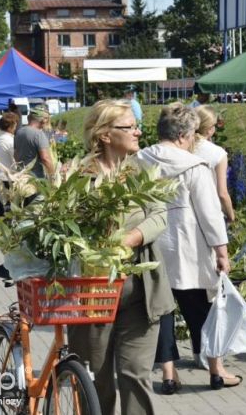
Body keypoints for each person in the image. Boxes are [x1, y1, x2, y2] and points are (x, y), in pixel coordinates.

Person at [68, 100, 174, 415]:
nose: (138, 131)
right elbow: (67, 226)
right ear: (104, 135)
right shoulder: (79, 176)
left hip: (143, 291)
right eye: (129, 127)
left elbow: (159, 213)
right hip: (95, 291)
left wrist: (131, 238)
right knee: (95, 379)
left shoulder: (142, 169)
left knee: (135, 374)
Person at [138, 103, 240, 392]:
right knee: (202, 312)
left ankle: (169, 375)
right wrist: (221, 251)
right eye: (194, 133)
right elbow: (209, 213)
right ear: (183, 135)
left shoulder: (139, 161)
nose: (195, 139)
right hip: (190, 249)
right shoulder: (194, 166)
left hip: (153, 247)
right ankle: (215, 370)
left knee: (162, 312)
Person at [193, 106, 235, 223]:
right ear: (209, 129)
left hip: (185, 214)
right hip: (210, 214)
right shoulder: (218, 153)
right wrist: (231, 215)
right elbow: (222, 193)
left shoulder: (182, 148)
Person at [0, 112, 19, 220]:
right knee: (7, 206)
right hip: (8, 177)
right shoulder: (11, 140)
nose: (16, 127)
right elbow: (16, 158)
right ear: (10, 126)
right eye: (15, 125)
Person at [14, 107, 54, 180]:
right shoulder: (38, 134)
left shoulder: (19, 132)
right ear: (43, 120)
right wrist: (53, 175)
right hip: (36, 179)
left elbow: (16, 155)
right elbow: (45, 158)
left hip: (21, 176)